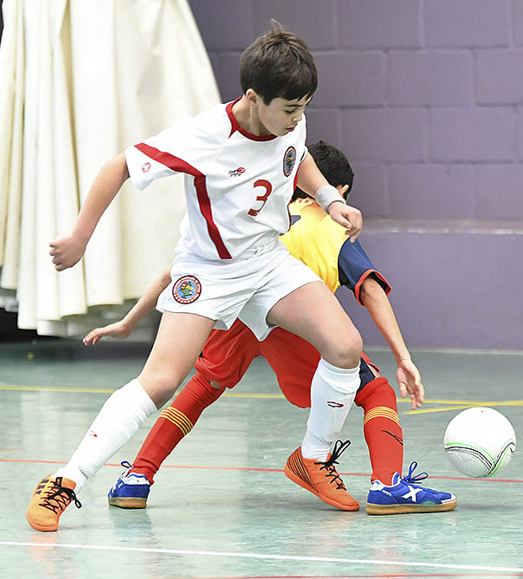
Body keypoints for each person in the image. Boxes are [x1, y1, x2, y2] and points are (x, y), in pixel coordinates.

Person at [27, 23, 366, 532]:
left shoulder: (288, 117)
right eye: (290, 109)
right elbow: (117, 166)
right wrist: (79, 236)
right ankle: (66, 480)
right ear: (253, 97)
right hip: (208, 272)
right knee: (161, 380)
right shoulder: (204, 137)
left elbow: (299, 158)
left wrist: (330, 199)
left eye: (303, 107)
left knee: (345, 347)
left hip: (267, 261)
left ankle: (312, 457)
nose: (299, 118)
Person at [89, 141, 455, 515]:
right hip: (288, 320)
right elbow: (372, 292)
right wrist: (403, 357)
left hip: (235, 312)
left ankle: (138, 477)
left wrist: (129, 320)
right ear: (339, 191)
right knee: (375, 391)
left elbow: (176, 271)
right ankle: (387, 483)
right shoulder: (331, 226)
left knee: (201, 388)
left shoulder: (262, 213)